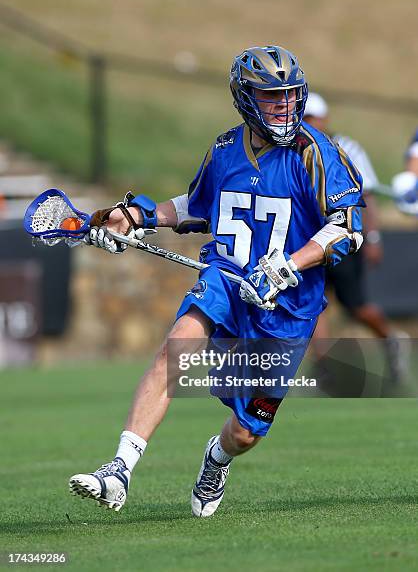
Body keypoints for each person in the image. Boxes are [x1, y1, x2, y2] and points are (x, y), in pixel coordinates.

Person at [69, 46, 364, 518]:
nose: (283, 105)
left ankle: (217, 458)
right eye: (271, 97)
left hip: (287, 308)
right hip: (227, 278)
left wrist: (289, 265)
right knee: (175, 351)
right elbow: (196, 204)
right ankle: (118, 471)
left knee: (246, 431)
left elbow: (346, 228)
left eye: (289, 95)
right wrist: (138, 216)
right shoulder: (225, 149)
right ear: (245, 99)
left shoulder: (317, 154)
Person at [304, 93, 409, 382]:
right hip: (308, 240)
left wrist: (372, 237)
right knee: (312, 304)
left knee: (357, 307)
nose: (309, 124)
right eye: (305, 118)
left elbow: (368, 195)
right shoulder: (293, 149)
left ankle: (391, 340)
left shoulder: (346, 148)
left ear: (324, 119)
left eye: (313, 118)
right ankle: (323, 366)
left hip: (342, 237)